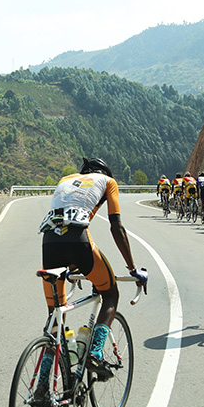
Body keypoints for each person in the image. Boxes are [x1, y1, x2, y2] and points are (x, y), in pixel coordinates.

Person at [38, 157, 148, 381]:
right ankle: (95, 354)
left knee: (55, 320)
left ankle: (41, 387)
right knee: (110, 294)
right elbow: (116, 227)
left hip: (49, 243)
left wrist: (71, 267)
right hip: (79, 242)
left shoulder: (65, 179)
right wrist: (133, 268)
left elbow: (63, 221)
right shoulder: (108, 182)